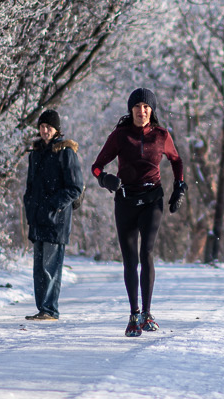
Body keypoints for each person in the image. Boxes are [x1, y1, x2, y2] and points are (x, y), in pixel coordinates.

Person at [90, 86, 185, 336]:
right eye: (136, 107)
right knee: (130, 259)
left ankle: (147, 312)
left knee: (147, 252)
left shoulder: (161, 135)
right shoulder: (120, 135)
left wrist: (179, 187)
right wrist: (106, 180)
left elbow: (176, 160)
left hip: (152, 197)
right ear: (130, 110)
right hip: (125, 200)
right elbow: (97, 167)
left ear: (151, 110)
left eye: (146, 107)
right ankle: (133, 315)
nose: (141, 111)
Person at [22, 108, 83, 320]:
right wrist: (29, 205)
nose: (45, 130)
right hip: (37, 218)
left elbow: (75, 187)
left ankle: (50, 309)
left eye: (49, 127)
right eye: (42, 126)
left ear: (57, 129)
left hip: (55, 220)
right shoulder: (36, 153)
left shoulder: (65, 152)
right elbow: (30, 186)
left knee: (50, 267)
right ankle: (43, 309)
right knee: (39, 268)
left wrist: (53, 205)